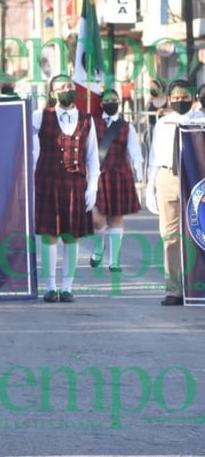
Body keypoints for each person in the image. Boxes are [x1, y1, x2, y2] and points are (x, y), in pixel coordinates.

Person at [33, 74, 100, 303]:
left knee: (71, 237)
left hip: (75, 184)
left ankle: (67, 287)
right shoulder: (39, 117)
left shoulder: (86, 120)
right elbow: (32, 153)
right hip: (47, 181)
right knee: (49, 236)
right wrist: (31, 186)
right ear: (52, 93)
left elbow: (92, 157)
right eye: (60, 87)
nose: (66, 90)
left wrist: (92, 188)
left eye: (69, 86)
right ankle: (50, 287)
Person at [146, 79, 203, 306]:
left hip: (195, 179)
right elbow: (154, 154)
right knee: (170, 236)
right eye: (176, 98)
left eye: (185, 97)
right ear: (169, 99)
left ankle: (198, 286)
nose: (181, 101)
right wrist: (150, 185)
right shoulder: (163, 123)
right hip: (168, 177)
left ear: (193, 98)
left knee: (199, 233)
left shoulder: (201, 121)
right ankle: (174, 290)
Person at [89, 89, 143, 272]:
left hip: (119, 173)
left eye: (114, 99)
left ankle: (114, 261)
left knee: (116, 218)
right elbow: (87, 149)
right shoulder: (93, 123)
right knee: (97, 218)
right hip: (98, 174)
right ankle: (98, 247)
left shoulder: (127, 126)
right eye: (107, 99)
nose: (111, 102)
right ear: (102, 103)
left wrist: (139, 171)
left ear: (119, 101)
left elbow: (135, 151)